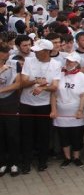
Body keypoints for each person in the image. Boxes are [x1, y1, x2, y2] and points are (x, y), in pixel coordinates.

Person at [19, 39, 61, 173]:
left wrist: (43, 88)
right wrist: (35, 81)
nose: (35, 53)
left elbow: (54, 86)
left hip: (44, 104)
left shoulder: (55, 64)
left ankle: (42, 161)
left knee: (43, 134)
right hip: (26, 103)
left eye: (39, 51)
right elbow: (23, 82)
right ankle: (26, 162)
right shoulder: (29, 61)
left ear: (47, 52)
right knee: (26, 134)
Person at [51, 53, 84, 167]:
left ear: (77, 63)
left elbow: (83, 95)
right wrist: (53, 109)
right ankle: (67, 158)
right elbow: (53, 93)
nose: (68, 63)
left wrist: (80, 110)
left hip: (76, 110)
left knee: (77, 135)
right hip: (61, 111)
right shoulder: (59, 75)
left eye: (71, 61)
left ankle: (77, 157)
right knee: (63, 136)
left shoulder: (82, 77)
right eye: (67, 61)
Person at [0, 44, 22, 176]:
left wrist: (2, 90)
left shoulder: (14, 64)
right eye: (3, 53)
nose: (6, 55)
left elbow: (18, 83)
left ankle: (14, 163)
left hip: (10, 102)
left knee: (12, 134)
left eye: (7, 53)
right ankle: (2, 163)